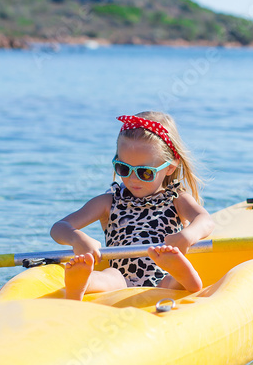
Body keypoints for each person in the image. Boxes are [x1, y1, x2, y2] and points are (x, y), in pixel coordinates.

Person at [51, 112, 214, 301]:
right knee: (109, 276)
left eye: (145, 172)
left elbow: (205, 221)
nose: (132, 179)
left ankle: (185, 277)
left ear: (170, 167)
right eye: (124, 168)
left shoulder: (176, 199)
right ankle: (81, 283)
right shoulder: (108, 202)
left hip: (163, 276)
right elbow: (59, 228)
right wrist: (76, 238)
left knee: (171, 279)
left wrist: (188, 235)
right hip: (122, 279)